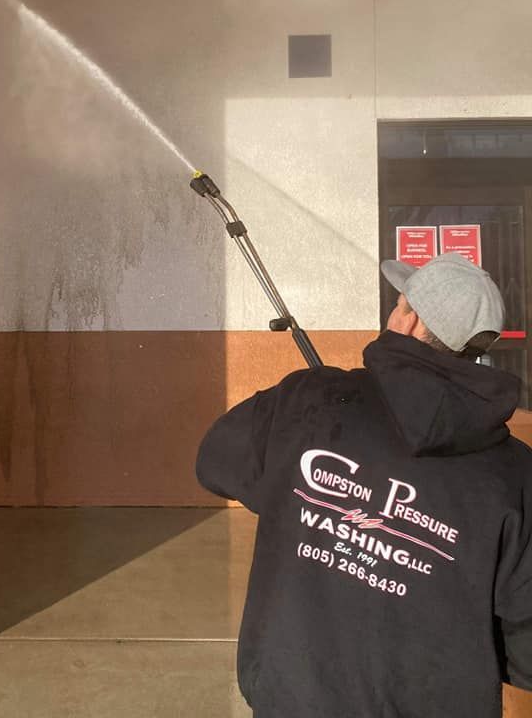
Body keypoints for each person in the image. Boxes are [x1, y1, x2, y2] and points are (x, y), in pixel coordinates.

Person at [196, 252, 532, 717]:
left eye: (398, 303)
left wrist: (304, 492)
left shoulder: (309, 398)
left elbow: (215, 464)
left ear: (410, 321)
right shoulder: (517, 473)